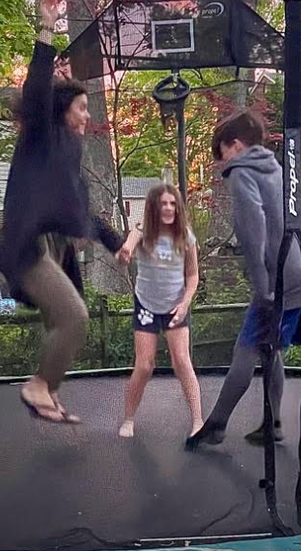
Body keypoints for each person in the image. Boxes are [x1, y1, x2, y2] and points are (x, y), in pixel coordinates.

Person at [0, 0, 124, 423]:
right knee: (74, 317)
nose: (88, 115)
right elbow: (35, 89)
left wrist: (117, 244)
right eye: (82, 107)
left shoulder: (68, 156)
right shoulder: (40, 135)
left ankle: (45, 391)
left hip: (53, 249)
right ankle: (39, 387)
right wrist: (47, 29)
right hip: (27, 247)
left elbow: (86, 211)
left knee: (64, 322)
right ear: (62, 109)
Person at [186, 109, 301, 450]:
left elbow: (253, 230)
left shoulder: (243, 172)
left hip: (279, 280)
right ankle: (273, 423)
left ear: (234, 145)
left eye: (221, 153)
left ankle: (216, 425)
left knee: (245, 351)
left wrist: (263, 290)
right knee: (271, 350)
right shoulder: (276, 169)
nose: (221, 164)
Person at [117, 183, 203, 438]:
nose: (168, 208)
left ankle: (198, 421)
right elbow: (129, 245)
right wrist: (125, 252)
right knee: (144, 365)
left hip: (176, 304)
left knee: (182, 361)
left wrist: (185, 302)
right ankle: (129, 419)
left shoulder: (185, 236)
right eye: (164, 203)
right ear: (155, 207)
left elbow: (193, 274)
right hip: (147, 305)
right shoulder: (144, 232)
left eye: (172, 204)